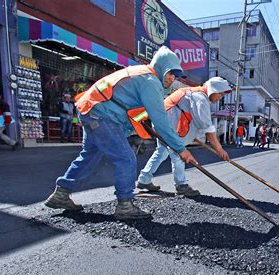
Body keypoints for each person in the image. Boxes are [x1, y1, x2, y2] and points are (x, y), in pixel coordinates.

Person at [44, 46, 198, 220]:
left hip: (91, 110)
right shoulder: (150, 81)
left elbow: (132, 110)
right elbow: (161, 122)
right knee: (126, 158)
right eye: (171, 73)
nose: (172, 78)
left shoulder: (141, 74)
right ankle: (125, 205)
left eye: (175, 76)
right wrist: (180, 149)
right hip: (101, 115)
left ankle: (61, 194)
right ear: (162, 67)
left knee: (89, 156)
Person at [137, 77, 231, 197]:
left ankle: (144, 179)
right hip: (166, 124)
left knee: (162, 151)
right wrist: (219, 149)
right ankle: (181, 186)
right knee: (178, 153)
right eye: (220, 94)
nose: (220, 98)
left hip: (162, 120)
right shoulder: (200, 98)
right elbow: (208, 129)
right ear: (214, 90)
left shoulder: (196, 93)